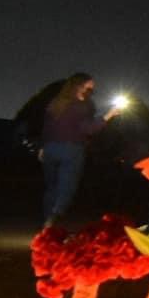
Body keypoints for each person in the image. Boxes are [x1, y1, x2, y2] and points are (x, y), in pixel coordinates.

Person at [40, 73, 122, 226]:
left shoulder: (56, 102)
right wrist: (108, 115)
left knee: (51, 187)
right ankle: (55, 216)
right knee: (67, 187)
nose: (92, 90)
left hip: (51, 148)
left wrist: (43, 146)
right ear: (80, 86)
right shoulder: (82, 106)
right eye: (89, 87)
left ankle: (47, 220)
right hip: (72, 149)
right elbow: (88, 129)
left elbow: (47, 127)